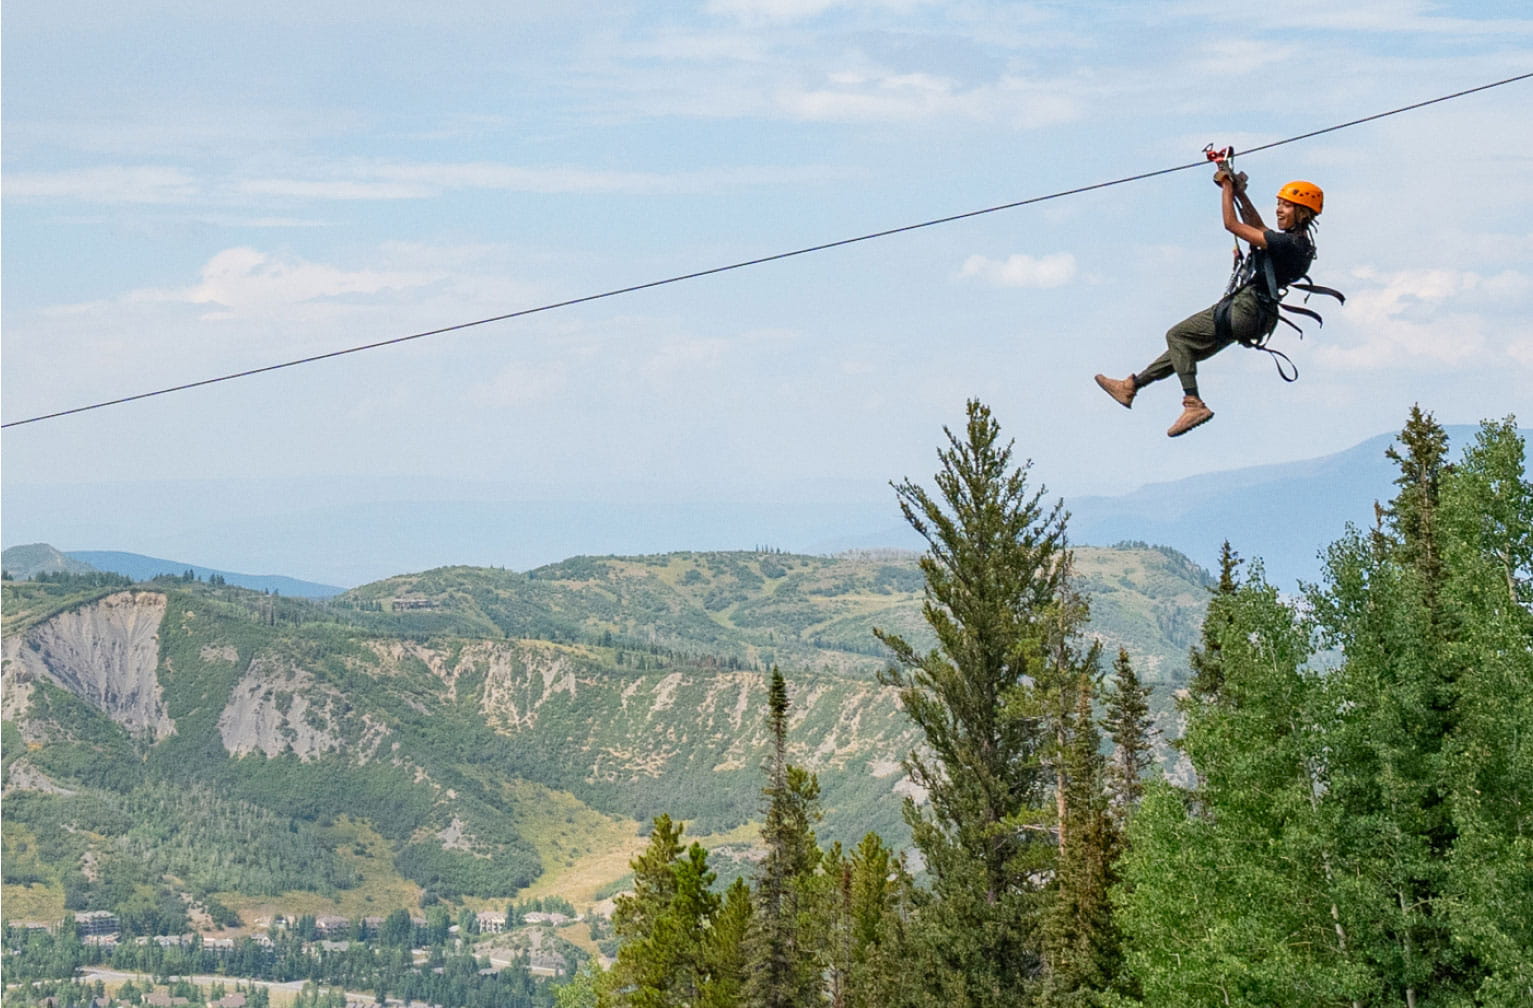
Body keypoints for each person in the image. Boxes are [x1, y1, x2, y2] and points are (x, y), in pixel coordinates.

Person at [1094, 172, 1324, 436]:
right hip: (1257, 317)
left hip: (1246, 308)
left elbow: (1231, 224)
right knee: (1184, 350)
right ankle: (1132, 386)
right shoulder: (1300, 244)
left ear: (1302, 212)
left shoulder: (1286, 243)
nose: (1279, 210)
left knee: (1176, 335)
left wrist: (1226, 187)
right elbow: (1258, 228)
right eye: (1279, 204)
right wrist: (1239, 192)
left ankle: (1193, 403)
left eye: (1286, 205)